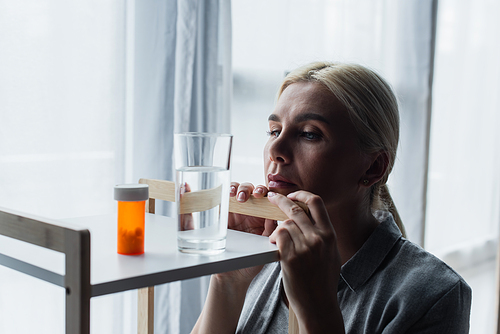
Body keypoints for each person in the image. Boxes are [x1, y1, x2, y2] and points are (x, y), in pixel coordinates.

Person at [191, 62, 472, 333]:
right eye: (274, 131)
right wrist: (229, 279)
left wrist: (318, 308)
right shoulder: (263, 255)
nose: (275, 148)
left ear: (373, 168)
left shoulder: (435, 295)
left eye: (309, 134)